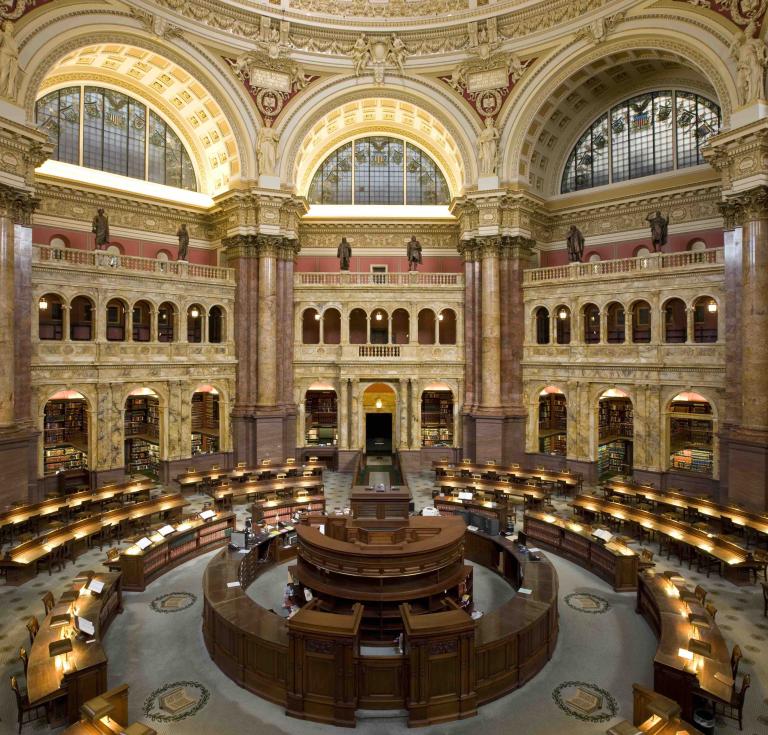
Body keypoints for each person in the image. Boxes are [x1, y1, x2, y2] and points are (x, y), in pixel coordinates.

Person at [0, 21, 19, 100]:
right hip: (5, 56)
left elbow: (16, 51)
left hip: (13, 59)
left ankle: (9, 93)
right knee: (3, 74)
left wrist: (15, 55)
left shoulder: (14, 40)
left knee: (11, 78)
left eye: (11, 26)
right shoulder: (2, 34)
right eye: (8, 25)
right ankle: (1, 92)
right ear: (4, 26)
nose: (11, 27)